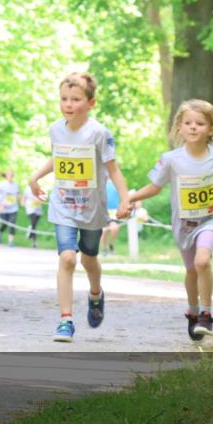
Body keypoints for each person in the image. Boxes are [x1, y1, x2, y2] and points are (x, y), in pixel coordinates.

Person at [129, 100, 213, 341]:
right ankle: (193, 311)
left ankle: (206, 314)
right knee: (190, 270)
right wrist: (131, 197)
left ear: (212, 128)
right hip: (185, 223)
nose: (193, 127)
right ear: (179, 126)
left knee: (202, 261)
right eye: (188, 123)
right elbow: (155, 186)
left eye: (200, 123)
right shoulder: (171, 159)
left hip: (212, 217)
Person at [28, 72, 131, 343]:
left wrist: (124, 199)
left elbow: (114, 170)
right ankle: (65, 320)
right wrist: (36, 176)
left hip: (92, 209)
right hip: (63, 205)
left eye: (76, 99)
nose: (68, 104)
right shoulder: (55, 129)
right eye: (64, 99)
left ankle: (96, 295)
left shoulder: (99, 134)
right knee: (67, 258)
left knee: (88, 259)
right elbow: (57, 157)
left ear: (91, 103)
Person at [0, 171, 20, 247]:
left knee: (12, 224)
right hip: (4, 208)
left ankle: (10, 242)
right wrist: (1, 205)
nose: (10, 176)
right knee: (4, 224)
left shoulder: (16, 185)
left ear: (13, 176)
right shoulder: (2, 184)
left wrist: (20, 197)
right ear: (6, 176)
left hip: (13, 208)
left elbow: (18, 194)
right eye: (8, 175)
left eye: (11, 175)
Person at [102, 185, 122, 255]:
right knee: (104, 230)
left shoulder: (115, 182)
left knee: (115, 228)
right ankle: (104, 248)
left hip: (114, 211)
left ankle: (111, 245)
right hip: (104, 211)